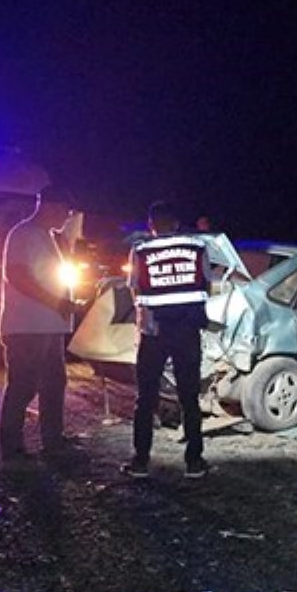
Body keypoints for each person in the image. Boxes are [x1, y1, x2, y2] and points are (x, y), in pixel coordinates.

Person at [123, 202, 211, 479]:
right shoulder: (197, 247)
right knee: (189, 397)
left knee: (145, 397)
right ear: (175, 223)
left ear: (152, 224)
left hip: (154, 331)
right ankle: (194, 462)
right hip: (187, 330)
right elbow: (207, 283)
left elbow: (133, 287)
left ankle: (140, 461)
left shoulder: (141, 250)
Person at [0, 184, 79, 468]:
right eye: (65, 212)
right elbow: (18, 276)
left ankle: (53, 440)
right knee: (23, 386)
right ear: (50, 206)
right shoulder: (23, 234)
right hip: (27, 326)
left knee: (54, 383)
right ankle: (12, 450)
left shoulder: (48, 237)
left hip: (47, 326)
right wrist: (55, 302)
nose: (67, 218)